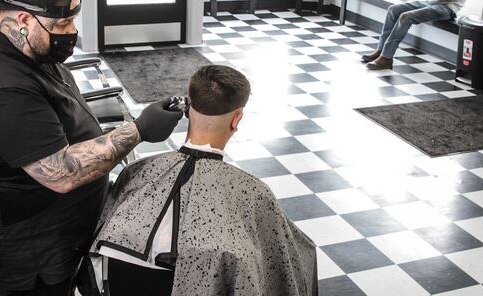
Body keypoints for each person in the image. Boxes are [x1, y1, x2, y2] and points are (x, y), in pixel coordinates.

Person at [0, 0, 183, 296]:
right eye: (63, 22)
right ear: (23, 19)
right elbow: (60, 172)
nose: (71, 31)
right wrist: (139, 130)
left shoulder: (10, 39)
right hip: (32, 246)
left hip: (62, 228)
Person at [84, 65, 317, 296]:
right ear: (237, 119)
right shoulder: (254, 192)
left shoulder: (136, 171)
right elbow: (283, 266)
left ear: (186, 110)